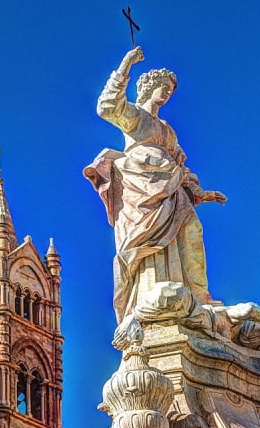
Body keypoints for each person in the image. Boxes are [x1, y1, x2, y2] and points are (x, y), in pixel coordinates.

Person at [84, 46, 226, 322]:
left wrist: (200, 192)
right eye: (164, 86)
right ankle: (154, 300)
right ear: (148, 87)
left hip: (172, 189)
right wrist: (126, 64)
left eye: (171, 89)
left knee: (192, 231)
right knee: (147, 246)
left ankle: (199, 294)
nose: (168, 92)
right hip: (142, 190)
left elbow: (181, 168)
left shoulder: (168, 130)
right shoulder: (136, 116)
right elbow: (107, 107)